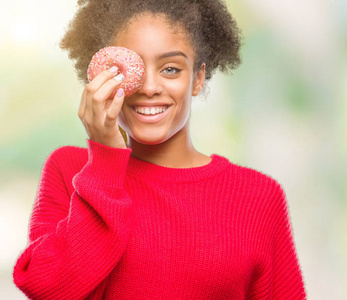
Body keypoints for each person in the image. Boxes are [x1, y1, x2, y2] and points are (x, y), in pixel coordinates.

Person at [12, 0, 307, 299]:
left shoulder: (258, 196)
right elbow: (47, 288)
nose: (149, 87)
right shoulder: (71, 169)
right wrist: (104, 163)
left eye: (170, 69)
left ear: (198, 78)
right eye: (127, 71)